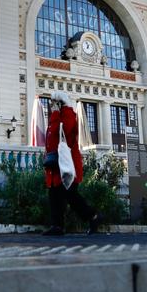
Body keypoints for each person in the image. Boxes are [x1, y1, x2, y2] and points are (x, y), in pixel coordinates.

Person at [42, 91, 100, 236]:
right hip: (56, 166)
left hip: (67, 166)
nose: (52, 106)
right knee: (54, 195)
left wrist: (59, 112)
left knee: (71, 196)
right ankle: (57, 226)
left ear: (61, 104)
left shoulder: (68, 116)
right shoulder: (57, 117)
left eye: (55, 104)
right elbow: (50, 139)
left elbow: (63, 132)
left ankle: (93, 216)